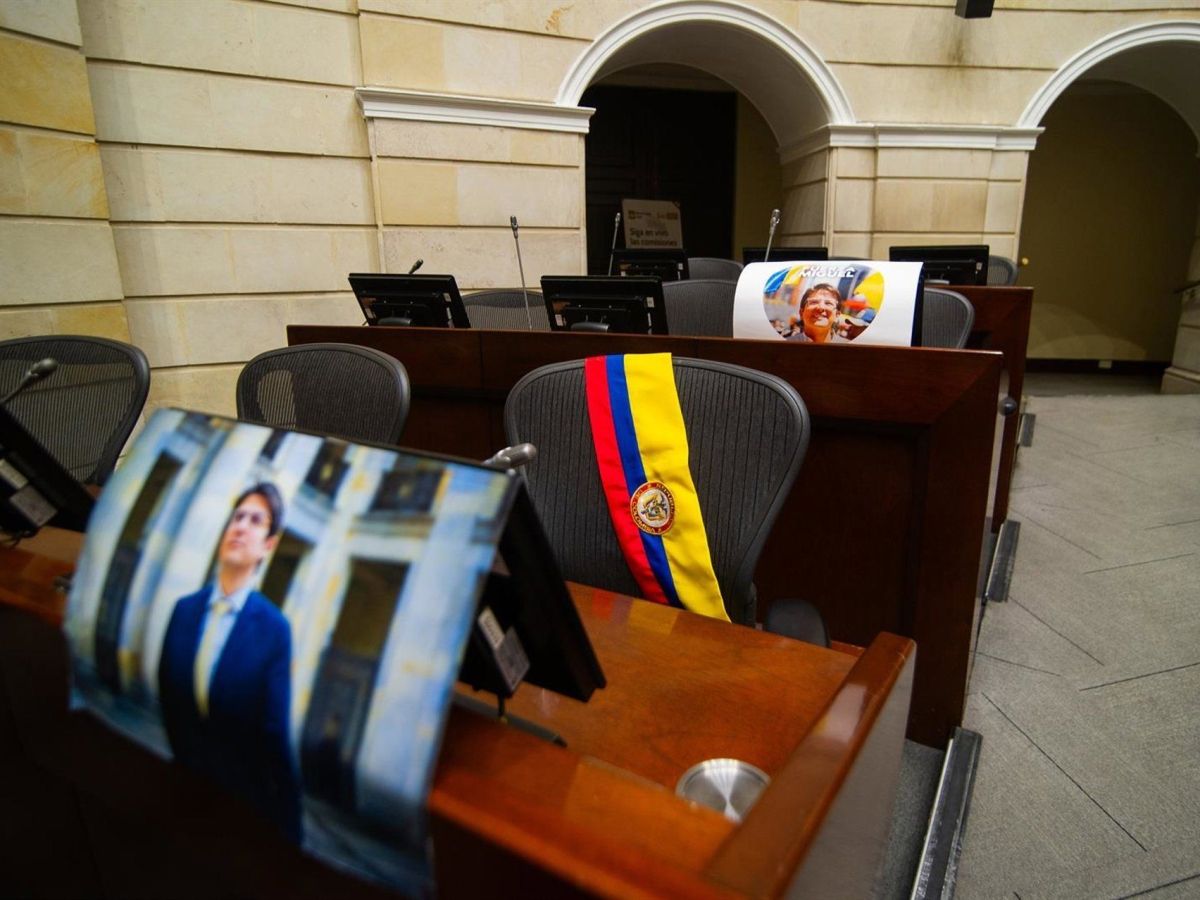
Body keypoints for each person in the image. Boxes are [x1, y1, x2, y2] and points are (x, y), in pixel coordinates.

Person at [157, 482, 302, 844]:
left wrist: (290, 826)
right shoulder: (184, 611)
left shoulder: (274, 630)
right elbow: (169, 699)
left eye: (255, 521)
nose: (241, 527)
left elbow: (274, 732)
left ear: (268, 545)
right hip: (181, 792)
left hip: (241, 806)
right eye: (237, 517)